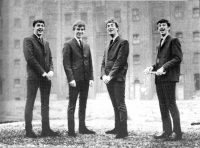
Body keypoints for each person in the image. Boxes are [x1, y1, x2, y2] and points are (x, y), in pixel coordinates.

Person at [144, 19, 183, 141]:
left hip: (169, 78)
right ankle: (166, 131)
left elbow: (178, 58)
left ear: (168, 28)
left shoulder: (173, 41)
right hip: (159, 79)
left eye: (164, 25)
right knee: (162, 106)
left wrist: (164, 67)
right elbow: (159, 62)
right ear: (157, 29)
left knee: (171, 104)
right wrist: (152, 67)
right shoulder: (160, 42)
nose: (161, 27)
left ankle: (177, 132)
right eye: (159, 26)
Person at [23, 19, 59, 138]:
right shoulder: (28, 40)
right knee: (30, 103)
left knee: (45, 104)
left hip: (46, 78)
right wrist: (43, 72)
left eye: (42, 26)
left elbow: (50, 59)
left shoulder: (46, 42)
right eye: (38, 25)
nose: (40, 28)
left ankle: (46, 130)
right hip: (34, 77)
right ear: (34, 27)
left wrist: (51, 71)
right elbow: (30, 59)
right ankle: (29, 131)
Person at [63, 20, 95, 137]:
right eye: (78, 29)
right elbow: (66, 64)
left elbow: (89, 62)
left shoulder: (86, 45)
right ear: (74, 30)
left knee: (83, 104)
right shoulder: (68, 44)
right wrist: (70, 79)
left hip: (85, 80)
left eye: (82, 30)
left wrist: (91, 78)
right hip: (74, 81)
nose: (80, 31)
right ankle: (71, 130)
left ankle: (82, 128)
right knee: (72, 105)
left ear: (84, 31)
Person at [101, 18, 129, 139]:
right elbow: (103, 62)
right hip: (108, 79)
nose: (110, 28)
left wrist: (110, 75)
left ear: (117, 28)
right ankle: (117, 127)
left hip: (117, 79)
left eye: (112, 26)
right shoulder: (107, 44)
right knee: (114, 104)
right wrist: (103, 75)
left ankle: (123, 131)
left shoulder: (123, 42)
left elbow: (120, 61)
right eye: (108, 26)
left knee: (120, 104)